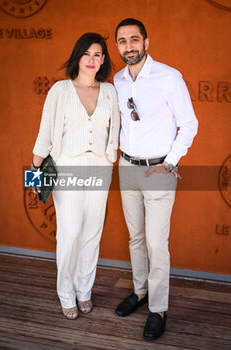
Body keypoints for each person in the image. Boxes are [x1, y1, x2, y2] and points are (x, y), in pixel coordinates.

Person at [113, 18, 198, 340]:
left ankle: (159, 308)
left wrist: (171, 161)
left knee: (155, 243)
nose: (129, 46)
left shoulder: (168, 77)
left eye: (134, 39)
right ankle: (140, 292)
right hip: (127, 167)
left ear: (146, 42)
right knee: (135, 237)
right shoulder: (118, 80)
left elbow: (189, 123)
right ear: (118, 46)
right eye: (122, 41)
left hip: (159, 170)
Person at [31, 33, 120, 320]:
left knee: (92, 234)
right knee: (69, 234)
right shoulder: (60, 90)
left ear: (104, 59)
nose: (92, 60)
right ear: (77, 56)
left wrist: (110, 158)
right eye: (86, 54)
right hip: (66, 167)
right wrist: (35, 176)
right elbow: (45, 133)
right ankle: (65, 293)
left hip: (100, 169)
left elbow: (114, 131)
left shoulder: (110, 92)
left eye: (97, 54)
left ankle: (85, 291)